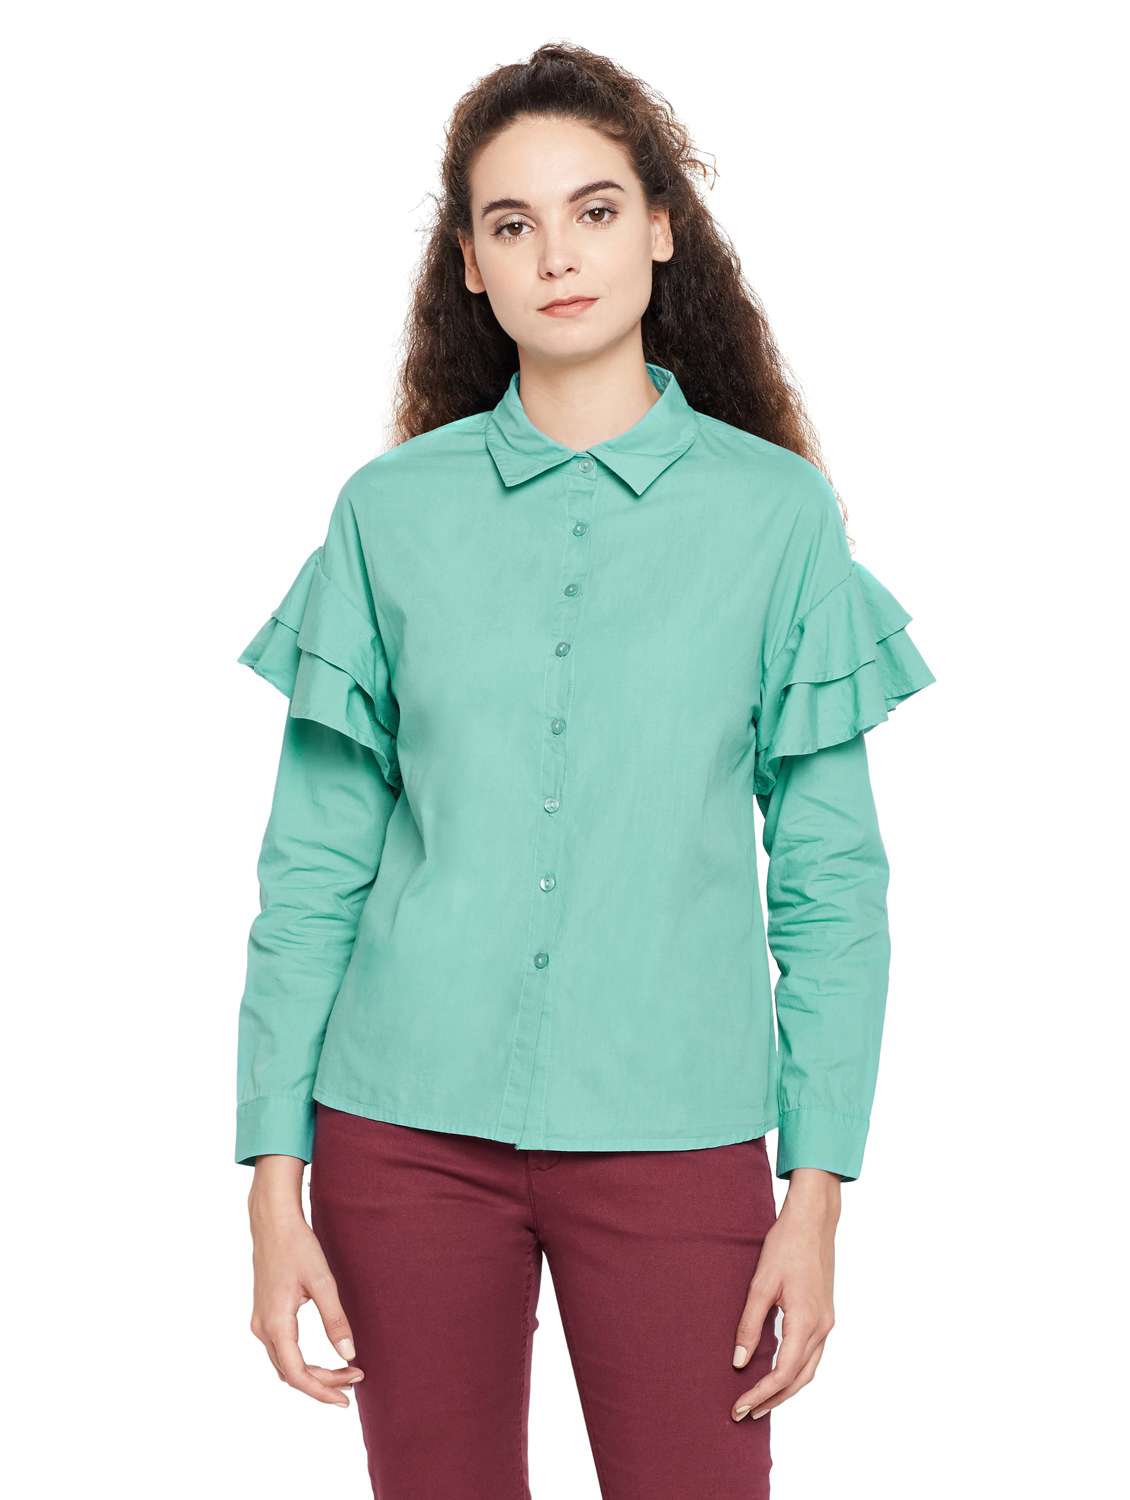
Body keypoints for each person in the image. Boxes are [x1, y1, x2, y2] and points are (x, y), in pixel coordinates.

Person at [233, 41, 936, 1499]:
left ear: (662, 228)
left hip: (678, 1136)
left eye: (596, 209)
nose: (558, 254)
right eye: (513, 223)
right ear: (471, 266)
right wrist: (271, 1180)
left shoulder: (778, 519)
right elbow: (313, 863)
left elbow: (829, 881)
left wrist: (816, 1195)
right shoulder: (385, 515)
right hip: (400, 1134)